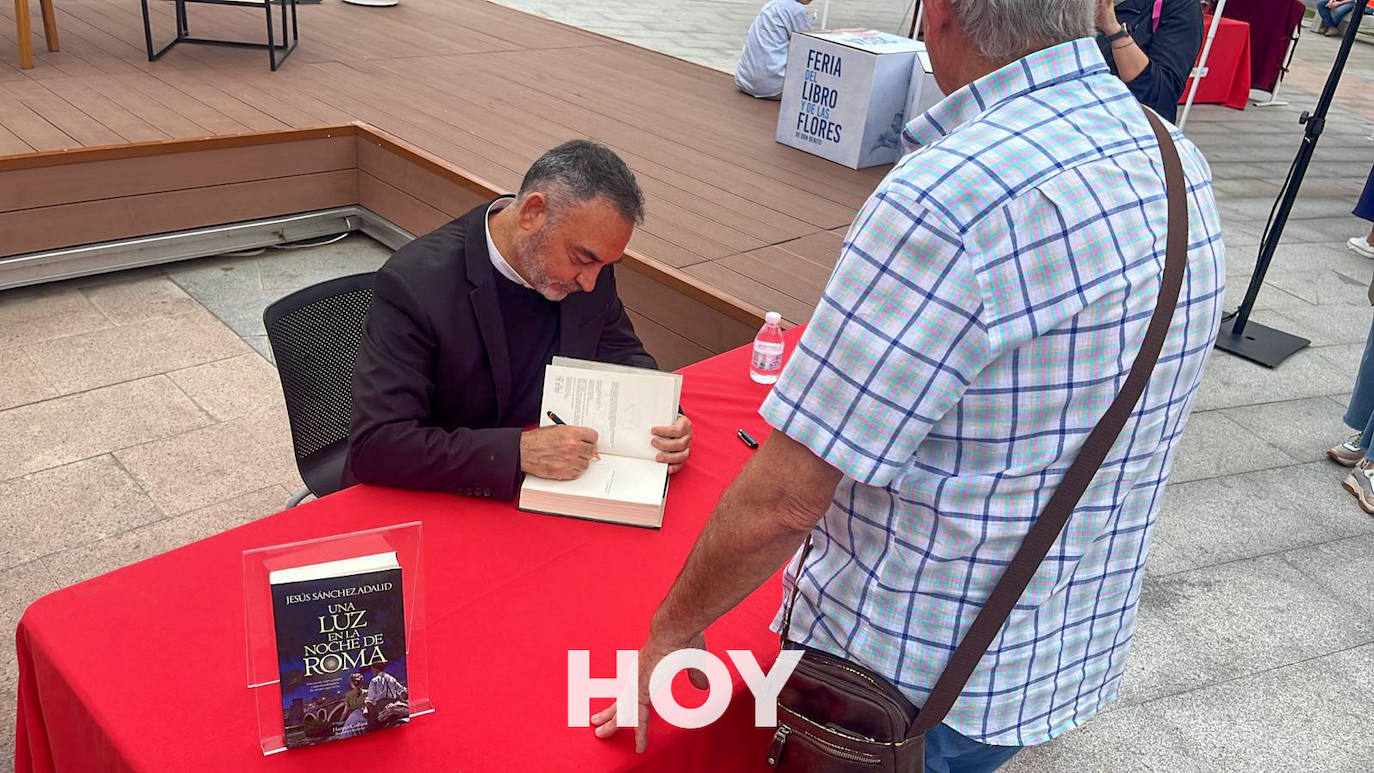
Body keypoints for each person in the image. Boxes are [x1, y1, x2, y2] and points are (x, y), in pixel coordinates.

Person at [591, 0, 1225, 767]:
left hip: (897, 679)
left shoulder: (952, 192)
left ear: (945, 16)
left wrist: (671, 629)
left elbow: (786, 496)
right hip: (1055, 641)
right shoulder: (1172, 156)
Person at [347, 141, 693, 500]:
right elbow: (378, 445)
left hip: (559, 483)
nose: (590, 282)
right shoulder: (417, 283)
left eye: (604, 266)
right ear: (532, 213)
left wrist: (665, 416)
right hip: (446, 493)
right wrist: (518, 452)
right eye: (582, 258)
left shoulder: (590, 268)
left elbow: (621, 352)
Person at [1093, 0, 1202, 122]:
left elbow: (1160, 94)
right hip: (1078, 122)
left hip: (1131, 129)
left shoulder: (1180, 5)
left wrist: (1113, 30)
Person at [735, 0, 813, 99]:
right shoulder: (796, 10)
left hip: (743, 79)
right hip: (772, 87)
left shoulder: (772, 4)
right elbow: (808, 43)